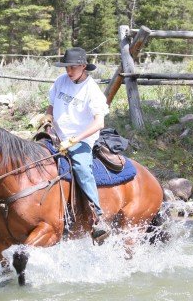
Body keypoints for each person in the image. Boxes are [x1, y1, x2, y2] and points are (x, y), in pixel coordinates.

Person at [40, 47, 111, 241]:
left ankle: (97, 217)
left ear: (82, 66)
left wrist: (74, 139)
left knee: (81, 168)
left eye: (72, 68)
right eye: (66, 68)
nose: (68, 72)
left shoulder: (92, 91)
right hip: (56, 135)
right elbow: (52, 104)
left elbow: (99, 122)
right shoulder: (61, 81)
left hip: (81, 139)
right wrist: (47, 115)